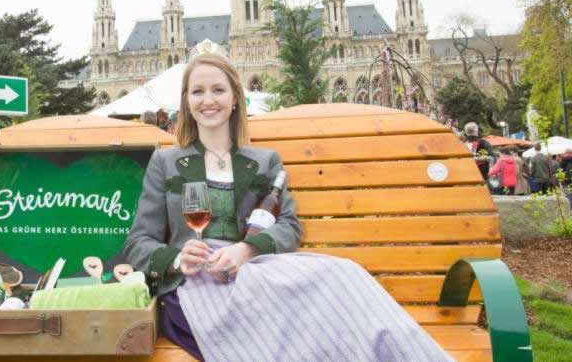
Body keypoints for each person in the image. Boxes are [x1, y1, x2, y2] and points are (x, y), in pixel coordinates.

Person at [124, 52, 450, 361]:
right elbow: (139, 243)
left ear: (235, 98)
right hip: (195, 289)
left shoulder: (264, 162)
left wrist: (246, 250)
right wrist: (178, 258)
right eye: (197, 91)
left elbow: (289, 226)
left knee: (345, 273)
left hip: (252, 273)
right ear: (187, 102)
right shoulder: (166, 162)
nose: (208, 100)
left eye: (218, 90)